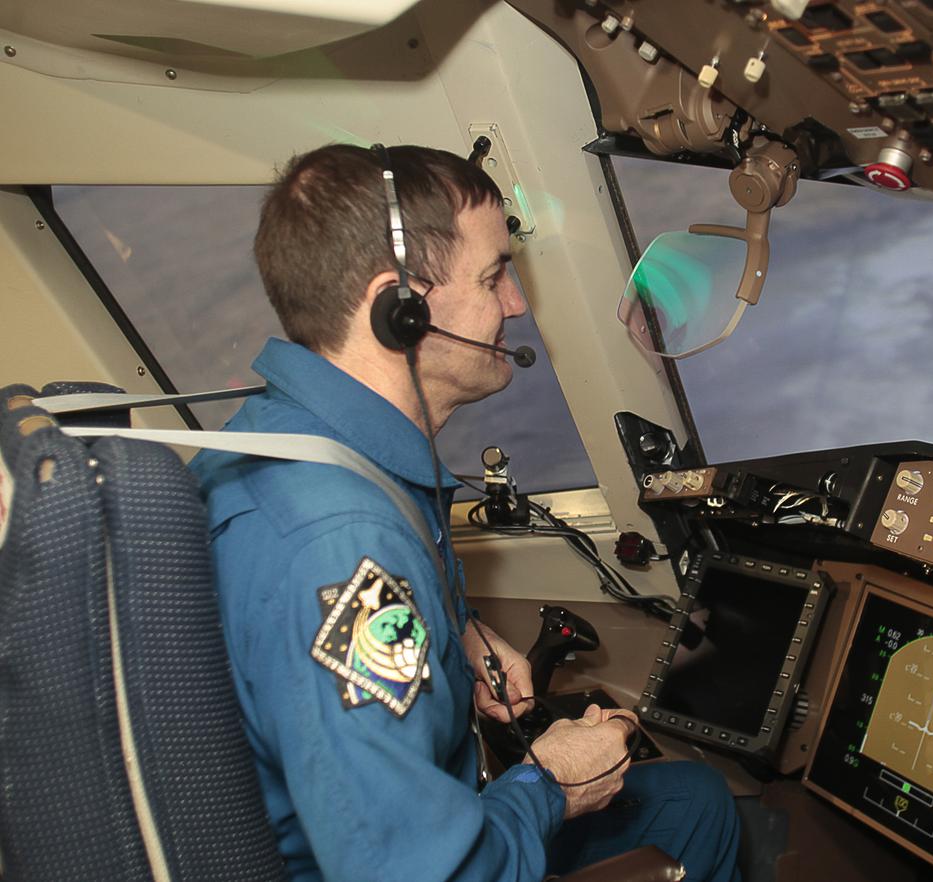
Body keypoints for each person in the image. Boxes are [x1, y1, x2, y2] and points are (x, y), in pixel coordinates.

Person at [189, 143, 741, 882]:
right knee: (695, 809)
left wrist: (456, 633)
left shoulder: (295, 443)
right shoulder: (341, 543)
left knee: (694, 798)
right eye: (494, 277)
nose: (516, 304)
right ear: (401, 309)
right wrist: (552, 787)